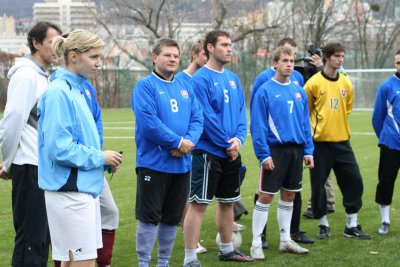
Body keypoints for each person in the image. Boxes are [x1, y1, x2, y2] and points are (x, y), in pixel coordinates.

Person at [38, 29, 123, 267]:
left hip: (80, 191)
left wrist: (103, 160)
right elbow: (59, 149)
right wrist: (99, 157)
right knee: (83, 262)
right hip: (70, 193)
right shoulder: (59, 92)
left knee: (70, 262)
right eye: (94, 57)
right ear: (74, 56)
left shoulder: (77, 89)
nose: (99, 63)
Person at [182, 29, 253, 267]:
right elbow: (206, 117)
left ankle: (227, 249)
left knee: (227, 201)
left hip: (231, 150)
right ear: (210, 48)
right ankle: (190, 257)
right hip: (208, 152)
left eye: (230, 44)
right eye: (224, 44)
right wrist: (226, 143)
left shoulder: (233, 78)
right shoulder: (200, 79)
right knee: (198, 204)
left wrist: (239, 140)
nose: (229, 48)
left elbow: (242, 112)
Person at [131, 37, 203, 267]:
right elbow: (148, 123)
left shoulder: (185, 86)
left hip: (182, 163)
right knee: (149, 217)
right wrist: (177, 142)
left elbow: (197, 118)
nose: (172, 59)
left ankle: (163, 263)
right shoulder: (145, 86)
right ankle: (144, 263)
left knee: (172, 218)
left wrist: (188, 143)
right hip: (154, 163)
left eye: (175, 55)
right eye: (167, 55)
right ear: (155, 58)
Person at [0, 21, 61, 267]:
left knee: (40, 240)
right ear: (36, 43)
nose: (57, 48)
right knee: (30, 240)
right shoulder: (25, 75)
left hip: (41, 167)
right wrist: (8, 162)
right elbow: (12, 121)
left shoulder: (44, 76)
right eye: (52, 42)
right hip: (29, 165)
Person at [249, 46, 313, 260]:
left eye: (292, 61)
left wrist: (308, 150)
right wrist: (263, 155)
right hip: (274, 150)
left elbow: (305, 123)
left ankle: (286, 241)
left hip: (296, 151)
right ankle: (256, 243)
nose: (289, 64)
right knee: (266, 195)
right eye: (284, 60)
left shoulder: (299, 91)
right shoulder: (265, 91)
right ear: (274, 64)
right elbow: (257, 126)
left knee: (290, 195)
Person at [304, 42, 370, 239]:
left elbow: (347, 108)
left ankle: (351, 225)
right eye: (337, 56)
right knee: (318, 186)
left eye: (342, 56)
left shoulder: (346, 82)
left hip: (342, 142)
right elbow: (305, 113)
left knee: (354, 181)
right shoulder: (313, 83)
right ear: (327, 57)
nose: (340, 60)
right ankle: (323, 225)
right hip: (320, 144)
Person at [176, 39, 209, 254]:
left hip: (204, 143)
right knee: (187, 194)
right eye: (205, 54)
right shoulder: (180, 80)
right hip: (187, 145)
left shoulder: (209, 78)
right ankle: (190, 240)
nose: (208, 59)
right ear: (195, 54)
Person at [372, 49, 400, 235]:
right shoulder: (387, 86)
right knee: (386, 182)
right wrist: (385, 138)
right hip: (391, 144)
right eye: (398, 62)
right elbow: (377, 117)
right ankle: (385, 220)